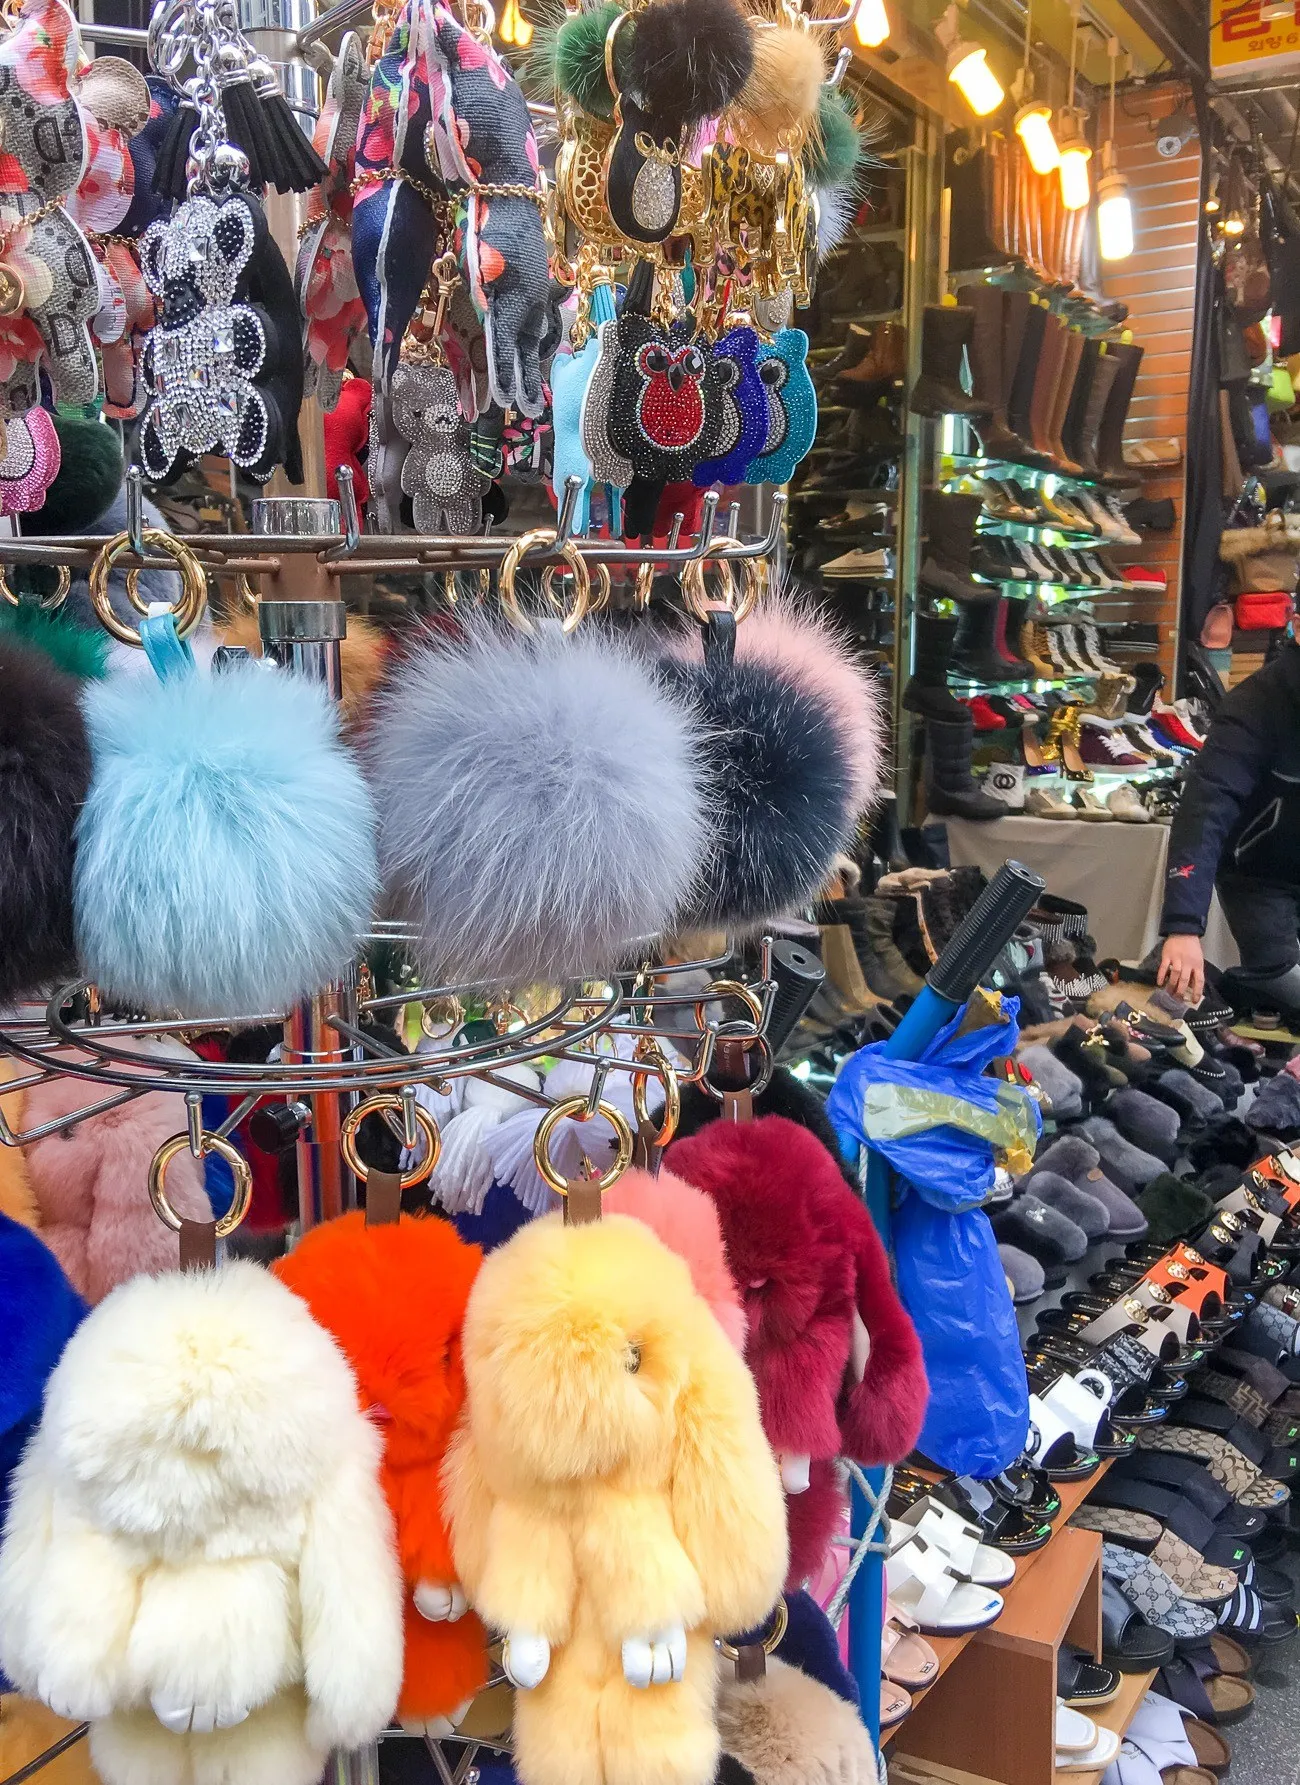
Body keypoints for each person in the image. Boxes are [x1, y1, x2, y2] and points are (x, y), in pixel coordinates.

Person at [1158, 637, 1300, 1018]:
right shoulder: (1255, 706)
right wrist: (1183, 927)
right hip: (1259, 872)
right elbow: (1206, 808)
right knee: (1285, 991)